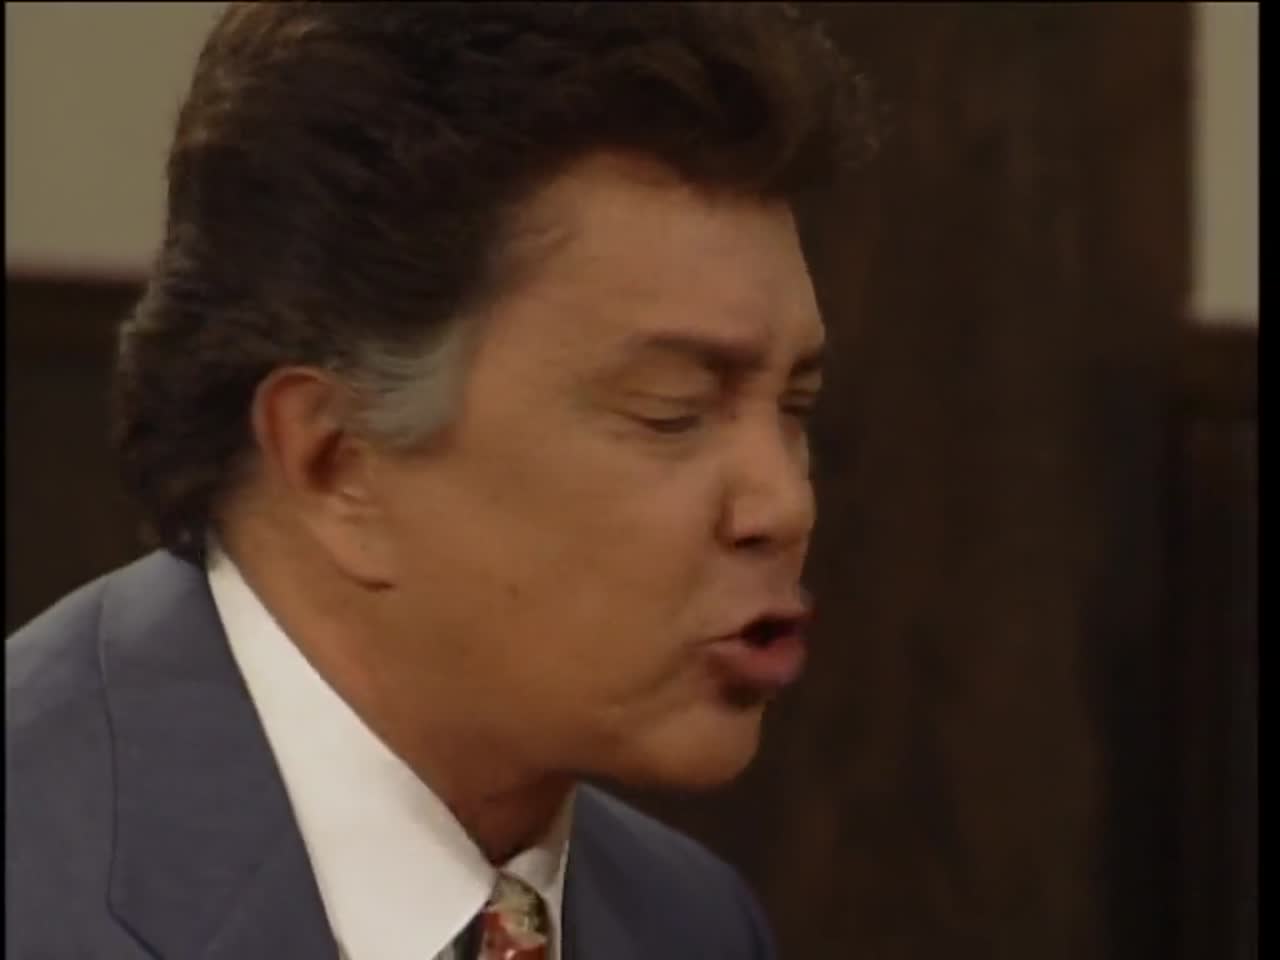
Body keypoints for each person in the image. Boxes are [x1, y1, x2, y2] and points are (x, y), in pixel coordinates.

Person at [7, 3, 868, 957]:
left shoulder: (693, 922)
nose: (783, 505)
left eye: (794, 407)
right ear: (337, 461)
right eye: (673, 410)